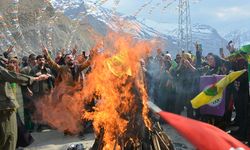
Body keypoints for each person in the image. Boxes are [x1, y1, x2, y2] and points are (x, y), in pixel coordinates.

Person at [0, 65, 48, 150]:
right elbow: (12, 76)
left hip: (9, 108)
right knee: (9, 138)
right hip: (4, 111)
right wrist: (35, 79)